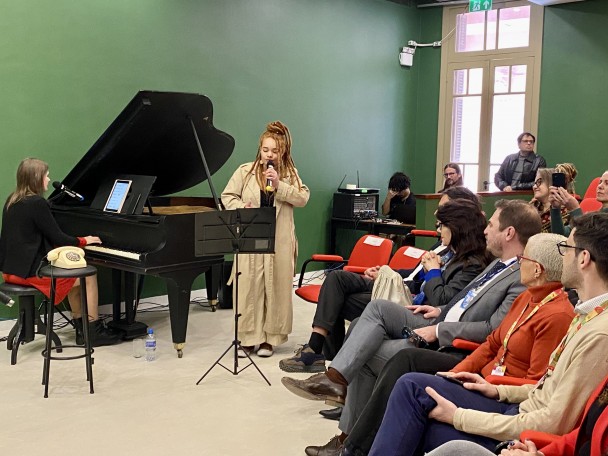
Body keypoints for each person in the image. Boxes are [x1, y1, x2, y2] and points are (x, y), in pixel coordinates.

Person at [301, 201, 544, 456]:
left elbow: (493, 329)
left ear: (509, 233)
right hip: (439, 317)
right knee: (373, 312)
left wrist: (439, 328)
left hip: (454, 342)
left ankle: (349, 439)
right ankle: (338, 381)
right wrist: (439, 311)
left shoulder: (519, 276)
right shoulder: (497, 264)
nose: (485, 230)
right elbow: (463, 299)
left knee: (367, 351)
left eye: (492, 225)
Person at [368, 212, 608, 456]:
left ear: (584, 259)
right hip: (514, 404)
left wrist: (459, 416)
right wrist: (497, 390)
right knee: (413, 402)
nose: (563, 256)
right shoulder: (584, 314)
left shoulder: (596, 333)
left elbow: (553, 421)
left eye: (566, 248)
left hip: (524, 433)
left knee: (414, 399)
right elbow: (545, 388)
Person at [281, 199, 493, 406]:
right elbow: (417, 276)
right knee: (341, 290)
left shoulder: (471, 262)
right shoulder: (448, 251)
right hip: (411, 294)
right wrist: (386, 271)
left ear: (456, 227)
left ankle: (334, 376)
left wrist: (434, 272)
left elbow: (443, 299)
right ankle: (336, 380)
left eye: (442, 225)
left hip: (425, 313)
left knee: (371, 309)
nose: (438, 230)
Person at [0, 158, 120, 347]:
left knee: (74, 275)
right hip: (29, 274)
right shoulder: (37, 203)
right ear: (37, 178)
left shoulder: (12, 201)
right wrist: (83, 240)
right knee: (88, 275)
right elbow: (59, 238)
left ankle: (82, 331)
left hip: (10, 271)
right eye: (46, 176)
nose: (49, 180)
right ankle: (93, 331)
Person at [221, 121, 309, 358]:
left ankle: (270, 340)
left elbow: (302, 198)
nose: (269, 155)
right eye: (265, 150)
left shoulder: (290, 174)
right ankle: (248, 339)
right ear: (260, 150)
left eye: (275, 151)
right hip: (252, 238)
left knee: (277, 289)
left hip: (279, 241)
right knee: (249, 288)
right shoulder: (245, 171)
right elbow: (227, 196)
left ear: (283, 153)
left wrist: (280, 185)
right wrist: (242, 207)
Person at [550, 170, 608, 236]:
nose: (600, 186)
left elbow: (586, 240)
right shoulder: (593, 216)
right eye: (600, 182)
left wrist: (574, 209)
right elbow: (560, 235)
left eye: (607, 183)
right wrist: (555, 208)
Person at [530, 168, 569, 233]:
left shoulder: (566, 211)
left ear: (551, 183)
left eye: (539, 182)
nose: (534, 187)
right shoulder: (531, 207)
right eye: (534, 183)